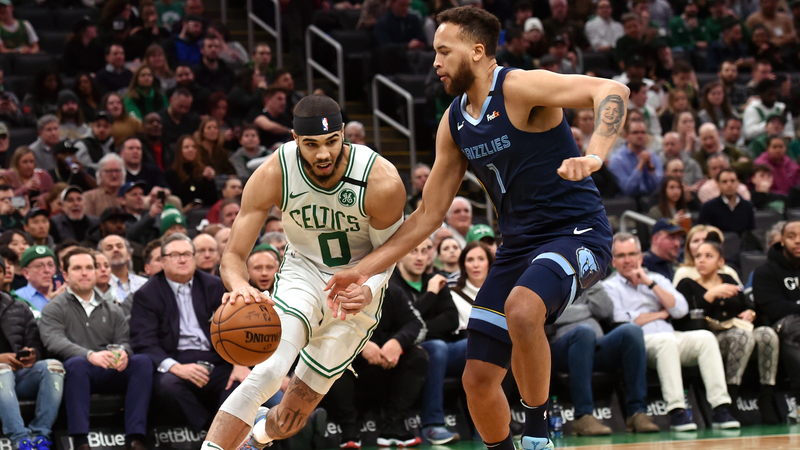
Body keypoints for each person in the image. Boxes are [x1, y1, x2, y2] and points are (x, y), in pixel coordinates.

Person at [326, 7, 627, 450]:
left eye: (444, 51)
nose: (435, 62)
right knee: (478, 379)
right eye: (435, 53)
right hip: (518, 244)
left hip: (576, 232)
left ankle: (540, 434)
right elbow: (427, 216)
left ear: (478, 51)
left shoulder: (520, 87)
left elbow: (611, 90)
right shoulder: (453, 123)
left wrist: (596, 154)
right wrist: (365, 270)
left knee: (524, 310)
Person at [199, 93, 406, 450]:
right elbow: (233, 253)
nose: (323, 153)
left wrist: (369, 288)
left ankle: (260, 433)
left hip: (358, 291)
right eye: (311, 144)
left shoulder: (380, 179)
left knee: (290, 418)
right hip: (304, 274)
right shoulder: (274, 172)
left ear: (344, 134)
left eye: (331, 142)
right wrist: (238, 286)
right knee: (266, 372)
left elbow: (391, 251)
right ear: (295, 140)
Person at [605, 233, 740, 431]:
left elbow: (680, 309)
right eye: (621, 255)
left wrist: (650, 284)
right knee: (666, 341)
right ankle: (677, 411)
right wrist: (660, 314)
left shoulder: (657, 279)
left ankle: (720, 408)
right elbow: (621, 318)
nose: (628, 260)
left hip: (672, 338)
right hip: (642, 344)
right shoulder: (609, 287)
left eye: (632, 254)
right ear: (613, 261)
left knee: (706, 338)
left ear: (641, 257)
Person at [129, 233, 249, 432]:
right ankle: (210, 434)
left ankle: (224, 435)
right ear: (163, 261)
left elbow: (237, 327)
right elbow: (144, 341)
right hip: (177, 360)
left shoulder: (215, 286)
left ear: (194, 258)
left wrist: (239, 364)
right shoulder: (147, 294)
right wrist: (175, 367)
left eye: (186, 254)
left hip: (218, 360)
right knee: (168, 385)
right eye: (175, 255)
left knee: (240, 382)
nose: (182, 259)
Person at [39, 247, 153, 450]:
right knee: (77, 364)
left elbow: (125, 339)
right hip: (77, 372)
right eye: (77, 268)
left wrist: (124, 353)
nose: (84, 273)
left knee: (142, 362)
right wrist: (89, 355)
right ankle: (81, 440)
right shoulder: (54, 308)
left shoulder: (112, 309)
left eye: (89, 268)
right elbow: (53, 340)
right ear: (65, 275)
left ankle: (136, 438)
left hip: (110, 368)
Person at [676, 240, 781, 423]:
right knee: (742, 336)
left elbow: (748, 304)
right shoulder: (687, 284)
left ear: (721, 262)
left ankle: (767, 395)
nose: (701, 260)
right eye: (698, 256)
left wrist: (751, 312)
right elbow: (683, 319)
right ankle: (731, 396)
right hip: (711, 338)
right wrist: (708, 296)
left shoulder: (729, 280)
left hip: (740, 330)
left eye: (709, 256)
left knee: (766, 334)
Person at [547, 279, 659, 435]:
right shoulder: (548, 276)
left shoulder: (585, 276)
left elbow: (605, 311)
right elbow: (549, 316)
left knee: (631, 331)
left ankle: (637, 412)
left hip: (594, 346)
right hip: (559, 350)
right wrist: (587, 310)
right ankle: (583, 416)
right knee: (584, 331)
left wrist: (591, 281)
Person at [390, 239, 463, 444]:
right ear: (401, 254)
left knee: (479, 347)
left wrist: (418, 326)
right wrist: (430, 294)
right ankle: (433, 425)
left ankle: (489, 421)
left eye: (425, 251)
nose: (420, 257)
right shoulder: (393, 284)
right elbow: (399, 324)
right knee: (436, 348)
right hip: (410, 351)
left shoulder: (435, 279)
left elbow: (451, 319)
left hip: (443, 349)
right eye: (413, 251)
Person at [0, 265, 64, 450]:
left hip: (18, 376)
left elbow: (35, 342)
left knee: (53, 366)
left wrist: (32, 354)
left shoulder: (17, 306)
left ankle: (40, 436)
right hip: (3, 374)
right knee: (2, 369)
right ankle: (21, 440)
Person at [753, 221, 800, 390]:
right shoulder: (765, 271)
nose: (798, 241)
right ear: (782, 241)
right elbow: (773, 308)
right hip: (780, 326)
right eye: (791, 236)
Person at [608, 118, 663, 198]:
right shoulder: (617, 160)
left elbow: (660, 188)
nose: (640, 136)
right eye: (635, 133)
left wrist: (651, 169)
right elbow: (627, 190)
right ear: (627, 136)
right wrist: (640, 167)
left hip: (651, 201)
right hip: (628, 204)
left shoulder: (654, 157)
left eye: (643, 132)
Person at [674, 225, 743, 286]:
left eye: (705, 240)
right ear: (688, 247)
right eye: (696, 241)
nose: (701, 244)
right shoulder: (683, 273)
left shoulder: (728, 272)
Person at [698, 168, 756, 236]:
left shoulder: (747, 206)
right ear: (718, 184)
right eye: (724, 181)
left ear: (738, 182)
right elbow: (701, 231)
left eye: (732, 181)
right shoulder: (708, 207)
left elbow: (751, 232)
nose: (729, 184)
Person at [165, 135, 218, 209]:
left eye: (194, 147)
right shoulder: (171, 173)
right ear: (179, 151)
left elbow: (213, 199)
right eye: (186, 147)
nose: (191, 150)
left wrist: (210, 180)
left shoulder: (203, 171)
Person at [15, 245, 64, 315]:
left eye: (50, 265)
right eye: (39, 266)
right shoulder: (17, 298)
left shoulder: (66, 294)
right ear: (26, 273)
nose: (47, 270)